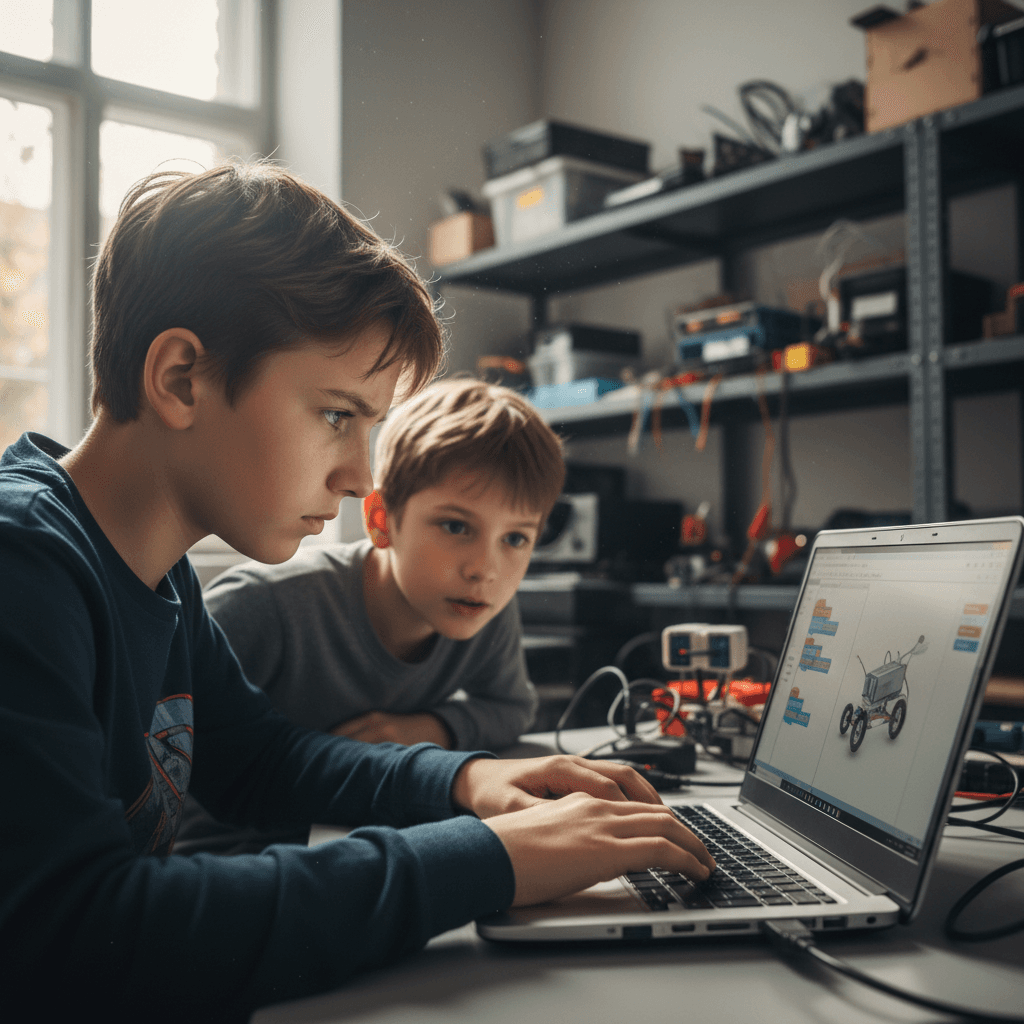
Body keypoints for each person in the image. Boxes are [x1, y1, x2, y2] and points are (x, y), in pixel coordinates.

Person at [0, 161, 714, 1023]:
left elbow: (264, 759)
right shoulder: (24, 564)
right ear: (182, 377)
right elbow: (80, 935)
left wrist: (471, 782)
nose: (357, 475)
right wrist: (489, 857)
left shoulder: (156, 574)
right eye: (338, 415)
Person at [178, 378, 560, 854]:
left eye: (515, 539)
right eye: (456, 526)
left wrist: (429, 729)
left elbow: (513, 706)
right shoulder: (265, 607)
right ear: (381, 520)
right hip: (233, 855)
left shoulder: (481, 606)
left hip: (361, 830)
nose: (485, 569)